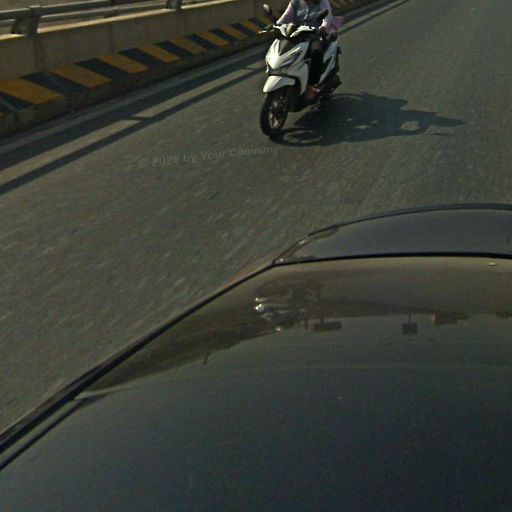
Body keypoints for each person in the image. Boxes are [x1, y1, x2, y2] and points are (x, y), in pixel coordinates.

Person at [276, 0, 343, 101]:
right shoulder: (295, 2)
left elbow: (327, 19)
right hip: (297, 35)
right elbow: (285, 17)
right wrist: (276, 26)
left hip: (315, 35)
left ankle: (311, 86)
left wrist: (322, 28)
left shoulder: (322, 2)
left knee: (316, 52)